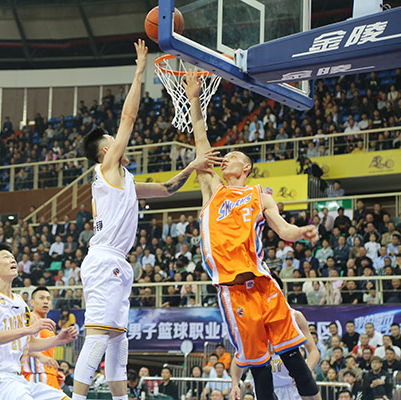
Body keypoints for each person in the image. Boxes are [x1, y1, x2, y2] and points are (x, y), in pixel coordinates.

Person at [73, 41, 221, 400]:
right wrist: (140, 71)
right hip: (104, 260)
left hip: (115, 262)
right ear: (106, 150)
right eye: (114, 141)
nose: (120, 142)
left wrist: (192, 166)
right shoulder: (106, 169)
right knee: (98, 337)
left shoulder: (125, 182)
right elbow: (128, 118)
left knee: (118, 340)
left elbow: (167, 189)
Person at [184, 70, 320, 400]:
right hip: (233, 291)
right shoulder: (212, 189)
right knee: (259, 369)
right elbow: (201, 141)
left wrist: (301, 232)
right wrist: (193, 99)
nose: (225, 159)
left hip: (263, 283)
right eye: (224, 157)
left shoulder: (260, 195)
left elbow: (283, 229)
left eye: (232, 157)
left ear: (245, 168)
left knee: (294, 359)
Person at [0, 243, 78, 400]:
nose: (12, 260)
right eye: (6, 257)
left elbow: (29, 343)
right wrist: (28, 330)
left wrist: (58, 339)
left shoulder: (20, 302)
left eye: (13, 257)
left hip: (17, 378)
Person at [22, 286, 64, 389]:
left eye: (48, 299)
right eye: (41, 298)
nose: (45, 301)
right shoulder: (31, 317)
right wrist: (40, 357)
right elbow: (22, 344)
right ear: (32, 302)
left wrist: (54, 372)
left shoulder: (49, 324)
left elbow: (47, 353)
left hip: (48, 374)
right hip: (36, 375)